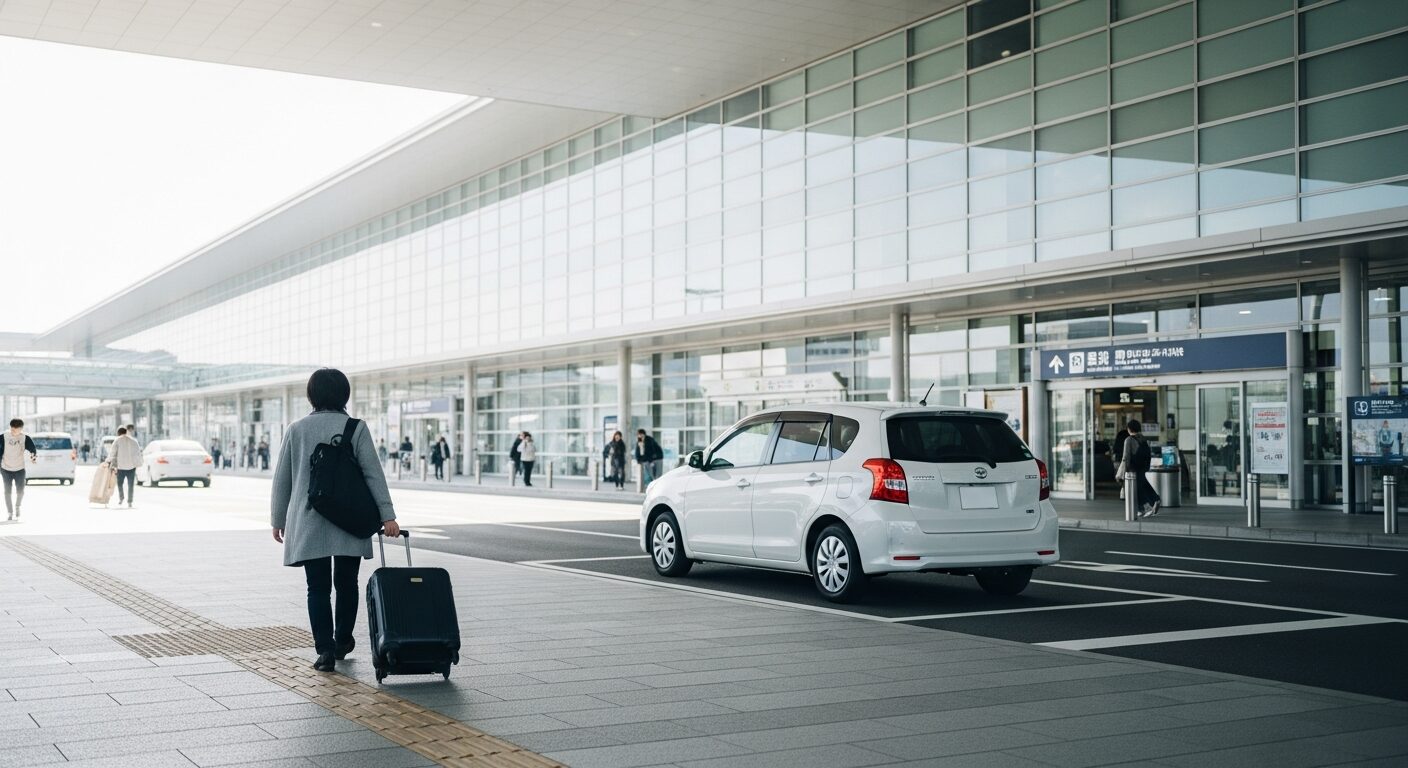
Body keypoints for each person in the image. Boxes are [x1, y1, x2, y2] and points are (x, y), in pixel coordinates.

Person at [271, 368, 398, 673]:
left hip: (309, 518)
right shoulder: (355, 427)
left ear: (311, 395)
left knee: (316, 588)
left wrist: (278, 518)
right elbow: (372, 474)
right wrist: (387, 515)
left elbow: (282, 479)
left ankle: (324, 650)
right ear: (344, 394)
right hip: (350, 519)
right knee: (347, 583)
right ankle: (342, 640)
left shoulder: (297, 429)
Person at [1122, 420, 1160, 518]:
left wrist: (1124, 471)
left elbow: (1126, 457)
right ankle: (1154, 500)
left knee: (1137, 489)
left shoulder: (1128, 440)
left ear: (1129, 429)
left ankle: (1146, 507)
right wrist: (1147, 467)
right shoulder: (1144, 439)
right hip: (1142, 467)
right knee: (1143, 484)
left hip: (1133, 468)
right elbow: (1148, 454)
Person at [1, 419, 37, 521]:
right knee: (7, 491)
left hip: (19, 468)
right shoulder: (3, 437)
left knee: (20, 491)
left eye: (15, 430)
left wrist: (33, 457)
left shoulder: (25, 438)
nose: (12, 431)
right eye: (11, 429)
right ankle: (10, 512)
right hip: (5, 468)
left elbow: (32, 450)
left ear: (20, 429)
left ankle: (17, 506)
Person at [110, 426, 141, 509]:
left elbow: (112, 453)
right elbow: (138, 453)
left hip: (121, 467)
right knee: (131, 485)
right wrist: (137, 464)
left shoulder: (117, 440)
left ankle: (121, 498)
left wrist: (110, 462)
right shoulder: (134, 441)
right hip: (131, 467)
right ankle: (130, 501)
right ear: (126, 432)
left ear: (118, 433)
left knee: (120, 484)